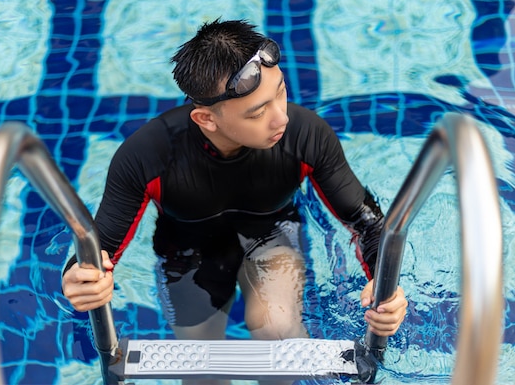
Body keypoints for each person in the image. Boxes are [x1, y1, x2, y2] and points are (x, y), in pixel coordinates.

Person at [62, 19, 408, 383]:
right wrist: (80, 276)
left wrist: (385, 286)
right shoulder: (147, 156)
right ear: (206, 118)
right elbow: (100, 247)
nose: (281, 117)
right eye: (258, 112)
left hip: (271, 237)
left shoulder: (307, 136)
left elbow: (367, 222)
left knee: (280, 339)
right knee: (202, 372)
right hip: (188, 253)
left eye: (281, 92)